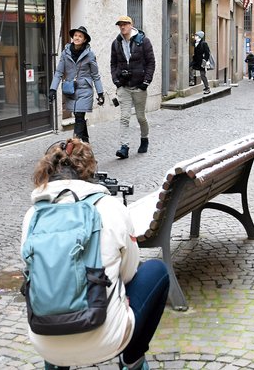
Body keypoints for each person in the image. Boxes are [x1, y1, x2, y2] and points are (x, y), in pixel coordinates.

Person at [23, 139, 170, 370]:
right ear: (90, 171)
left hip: (44, 339)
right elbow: (130, 272)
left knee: (48, 282)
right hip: (106, 340)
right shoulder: (110, 208)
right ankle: (133, 360)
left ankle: (56, 365)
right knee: (156, 271)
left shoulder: (33, 216)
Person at [49, 26, 105, 143]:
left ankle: (74, 144)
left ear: (84, 40)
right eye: (75, 35)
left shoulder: (90, 55)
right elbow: (59, 72)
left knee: (79, 115)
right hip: (71, 90)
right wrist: (53, 89)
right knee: (78, 116)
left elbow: (95, 75)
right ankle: (86, 143)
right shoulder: (65, 53)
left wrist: (100, 92)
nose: (77, 38)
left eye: (80, 36)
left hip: (85, 90)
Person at [110, 16, 155, 159]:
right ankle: (124, 147)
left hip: (139, 86)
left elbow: (151, 63)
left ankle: (144, 139)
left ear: (131, 25)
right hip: (124, 86)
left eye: (125, 24)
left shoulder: (143, 41)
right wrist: (116, 80)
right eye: (120, 25)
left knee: (141, 117)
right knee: (124, 117)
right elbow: (113, 63)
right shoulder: (116, 43)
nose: (122, 27)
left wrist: (146, 82)